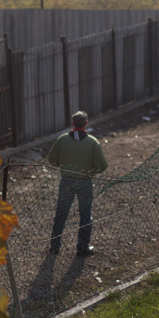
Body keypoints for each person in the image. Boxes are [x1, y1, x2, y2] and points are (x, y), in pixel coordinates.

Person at [48, 110, 107, 256]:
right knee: (85, 215)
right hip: (85, 182)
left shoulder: (62, 139)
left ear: (72, 123)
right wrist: (92, 172)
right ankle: (82, 247)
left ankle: (55, 246)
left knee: (61, 213)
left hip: (67, 180)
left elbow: (51, 159)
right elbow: (102, 165)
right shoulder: (92, 142)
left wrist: (64, 166)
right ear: (86, 123)